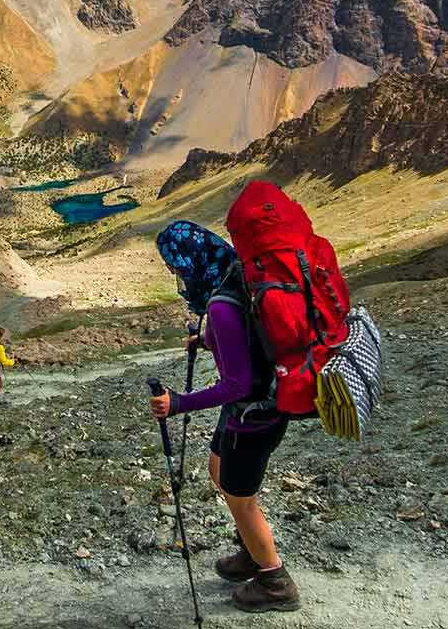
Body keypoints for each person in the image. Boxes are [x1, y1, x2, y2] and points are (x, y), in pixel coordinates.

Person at [148, 220, 301, 613]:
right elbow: (245, 337)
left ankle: (274, 580)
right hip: (255, 407)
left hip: (253, 414)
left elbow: (236, 383)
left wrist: (179, 403)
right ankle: (252, 550)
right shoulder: (234, 277)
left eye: (177, 267)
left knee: (240, 495)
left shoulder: (221, 304)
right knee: (219, 470)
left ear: (192, 261)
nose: (177, 276)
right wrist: (207, 339)